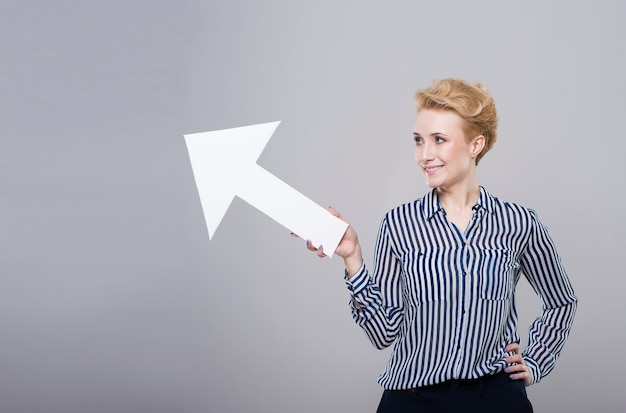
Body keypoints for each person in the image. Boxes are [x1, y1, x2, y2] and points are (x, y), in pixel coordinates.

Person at [305, 78, 577, 413]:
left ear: (475, 145)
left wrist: (536, 361)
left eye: (439, 140)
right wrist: (353, 259)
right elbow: (383, 334)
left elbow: (561, 301)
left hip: (494, 400)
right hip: (411, 401)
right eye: (419, 141)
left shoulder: (518, 224)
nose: (425, 154)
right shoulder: (399, 225)